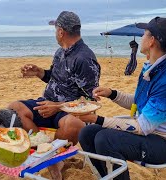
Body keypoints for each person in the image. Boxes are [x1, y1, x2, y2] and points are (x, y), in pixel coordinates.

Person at [78, 17, 166, 179]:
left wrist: (98, 119)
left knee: (106, 139)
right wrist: (112, 93)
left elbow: (142, 126)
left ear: (152, 41)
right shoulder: (152, 68)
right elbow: (139, 103)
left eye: (144, 34)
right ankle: (107, 177)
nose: (141, 38)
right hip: (150, 135)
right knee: (87, 133)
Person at [8, 11, 101, 145]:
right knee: (14, 108)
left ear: (61, 32)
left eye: (55, 29)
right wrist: (39, 72)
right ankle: (41, 145)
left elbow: (90, 101)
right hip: (47, 103)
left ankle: (54, 157)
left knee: (74, 125)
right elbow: (56, 79)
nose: (55, 33)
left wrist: (58, 106)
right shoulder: (60, 52)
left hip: (68, 112)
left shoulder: (84, 59)